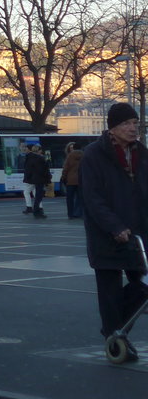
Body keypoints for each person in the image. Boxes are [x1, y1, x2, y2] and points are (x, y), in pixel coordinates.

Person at [78, 102, 148, 358]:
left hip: (137, 233)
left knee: (143, 284)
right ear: (113, 128)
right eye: (127, 124)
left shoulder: (142, 153)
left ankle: (117, 329)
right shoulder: (94, 155)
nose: (133, 128)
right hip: (107, 235)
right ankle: (114, 333)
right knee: (108, 289)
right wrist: (114, 226)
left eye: (135, 123)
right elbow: (93, 199)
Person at [22, 143, 51, 218]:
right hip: (40, 179)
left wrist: (27, 178)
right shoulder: (41, 158)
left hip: (32, 179)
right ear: (39, 151)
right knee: (38, 195)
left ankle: (34, 209)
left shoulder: (29, 158)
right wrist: (48, 179)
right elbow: (44, 170)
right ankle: (38, 210)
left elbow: (27, 169)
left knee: (34, 194)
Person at [61, 141, 83, 219]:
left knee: (70, 198)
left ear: (73, 148)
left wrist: (63, 177)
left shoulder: (70, 156)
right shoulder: (85, 155)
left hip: (70, 180)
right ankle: (79, 213)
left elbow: (66, 168)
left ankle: (70, 214)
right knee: (80, 198)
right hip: (81, 180)